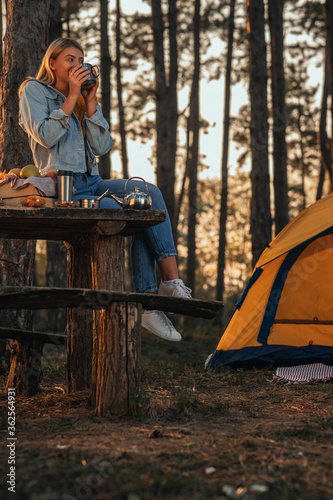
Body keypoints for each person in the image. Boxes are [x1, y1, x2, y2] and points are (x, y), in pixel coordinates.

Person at [19, 37, 191, 342]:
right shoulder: (33, 90)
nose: (77, 64)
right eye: (70, 59)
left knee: (148, 193)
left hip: (94, 182)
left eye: (81, 59)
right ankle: (148, 303)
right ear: (53, 63)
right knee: (137, 216)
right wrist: (72, 95)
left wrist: (91, 99)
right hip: (68, 189)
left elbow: (102, 145)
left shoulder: (82, 98)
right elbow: (45, 136)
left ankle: (171, 282)